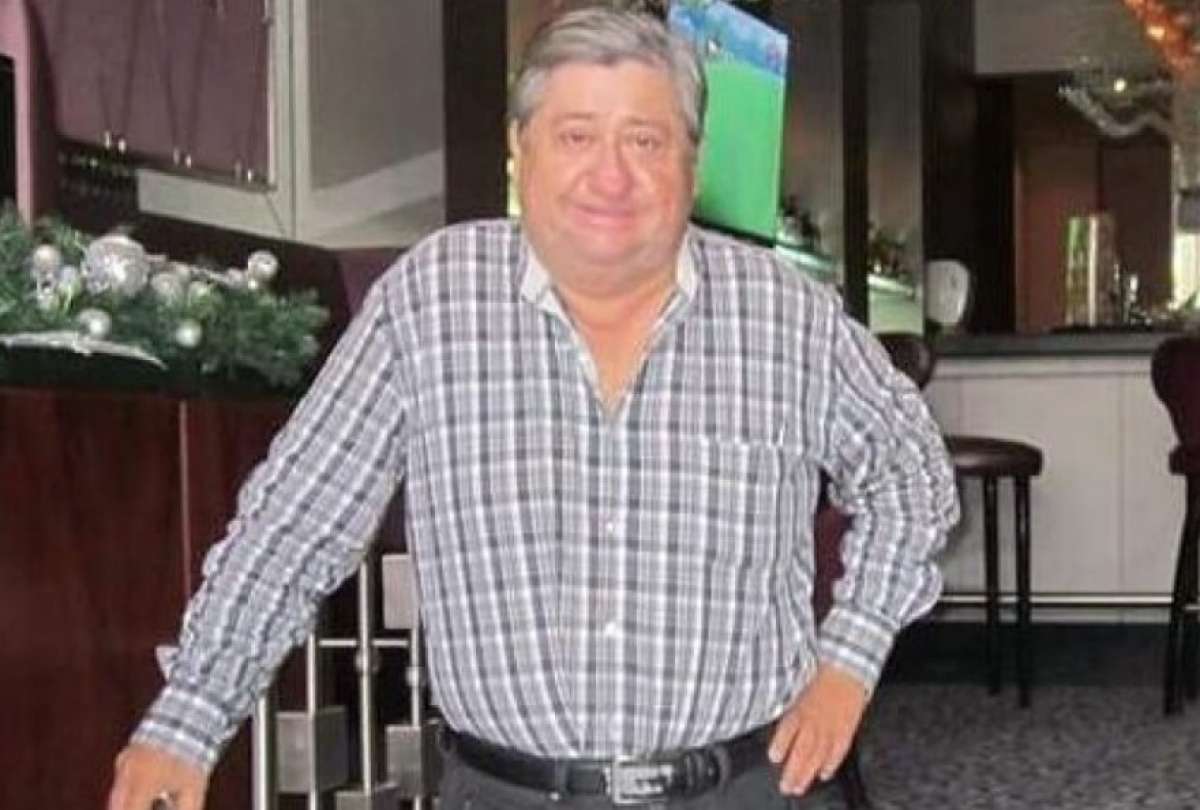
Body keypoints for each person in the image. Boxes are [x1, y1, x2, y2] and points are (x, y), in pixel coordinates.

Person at [108, 8, 958, 810]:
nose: (611, 175)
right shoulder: (433, 300)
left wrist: (849, 660)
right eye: (576, 135)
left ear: (691, 164)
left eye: (646, 140)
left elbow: (911, 475)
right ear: (522, 151)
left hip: (743, 787)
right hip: (503, 791)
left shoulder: (785, 316)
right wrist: (189, 720)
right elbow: (297, 521)